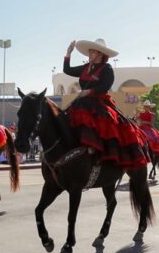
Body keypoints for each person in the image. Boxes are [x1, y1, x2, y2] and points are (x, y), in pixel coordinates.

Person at [62, 38, 146, 168]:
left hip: (99, 101)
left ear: (101, 54)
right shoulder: (85, 67)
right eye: (90, 52)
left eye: (93, 53)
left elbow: (106, 85)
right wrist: (68, 53)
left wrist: (89, 91)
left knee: (105, 122)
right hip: (82, 101)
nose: (90, 55)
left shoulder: (106, 68)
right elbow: (67, 70)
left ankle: (96, 150)